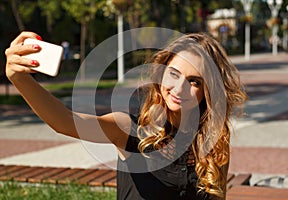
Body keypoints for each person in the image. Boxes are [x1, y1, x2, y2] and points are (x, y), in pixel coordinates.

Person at [5, 31, 247, 200]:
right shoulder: (131, 128)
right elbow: (66, 123)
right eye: (173, 74)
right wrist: (19, 79)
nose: (179, 88)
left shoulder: (213, 142)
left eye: (194, 81)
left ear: (208, 90)